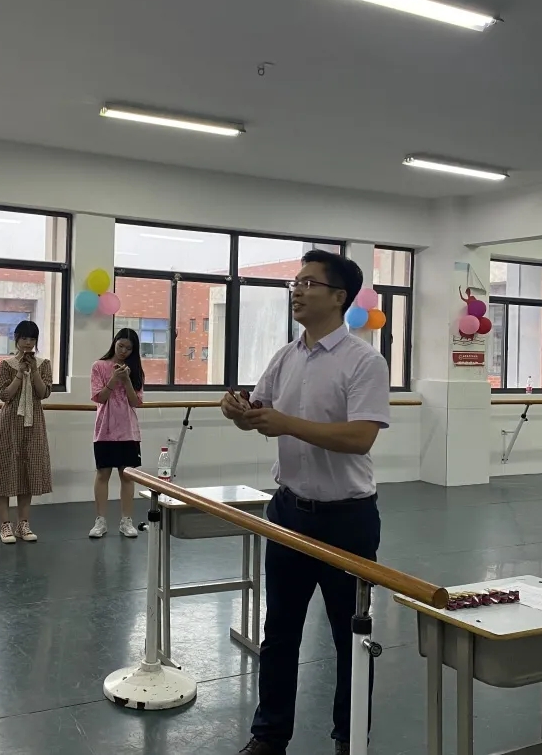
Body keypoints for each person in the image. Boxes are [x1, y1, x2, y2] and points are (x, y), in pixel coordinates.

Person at [222, 249, 391, 755]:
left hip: (347, 521)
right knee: (279, 632)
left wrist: (286, 423)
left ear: (339, 297)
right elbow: (261, 416)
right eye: (294, 283)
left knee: (351, 638)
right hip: (289, 513)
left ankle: (349, 739)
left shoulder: (364, 361)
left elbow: (360, 437)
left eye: (309, 283)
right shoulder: (286, 356)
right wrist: (238, 411)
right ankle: (269, 736)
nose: (297, 290)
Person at [0, 320, 53, 544]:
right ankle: (5, 525)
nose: (28, 343)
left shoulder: (43, 364)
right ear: (16, 339)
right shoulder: (6, 364)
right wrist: (19, 373)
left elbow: (43, 393)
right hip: (10, 422)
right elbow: (4, 395)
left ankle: (23, 523)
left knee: (28, 470)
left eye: (32, 339)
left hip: (34, 423)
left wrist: (33, 372)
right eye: (24, 338)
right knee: (4, 469)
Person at [89, 327, 145, 539]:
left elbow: (136, 402)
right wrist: (114, 379)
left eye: (128, 349)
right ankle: (100, 521)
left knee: (127, 476)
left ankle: (126, 521)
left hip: (128, 431)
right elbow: (99, 397)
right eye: (120, 346)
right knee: (103, 474)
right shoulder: (99, 366)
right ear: (114, 343)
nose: (123, 351)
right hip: (105, 430)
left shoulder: (136, 371)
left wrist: (127, 380)